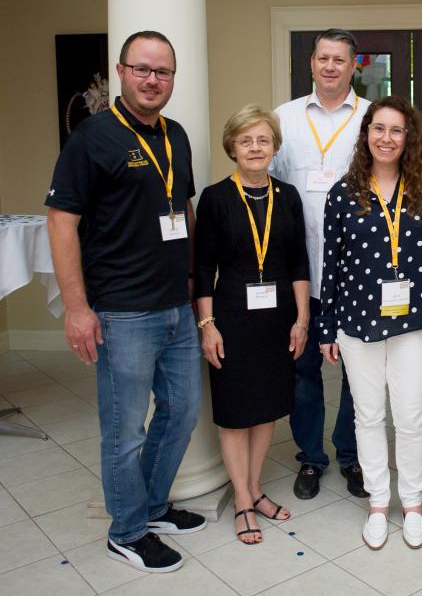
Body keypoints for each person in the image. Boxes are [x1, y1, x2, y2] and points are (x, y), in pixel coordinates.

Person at [45, 30, 206, 573]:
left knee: (182, 414)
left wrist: (193, 279)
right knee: (124, 429)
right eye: (143, 69)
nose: (153, 80)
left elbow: (180, 205)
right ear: (121, 71)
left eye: (163, 72)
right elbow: (62, 222)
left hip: (176, 306)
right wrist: (76, 307)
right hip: (121, 310)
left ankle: (153, 506)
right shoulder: (91, 138)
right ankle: (127, 530)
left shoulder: (175, 135)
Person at [317, 95, 422, 549]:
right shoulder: (343, 193)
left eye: (396, 130)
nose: (386, 138)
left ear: (408, 138)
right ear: (366, 135)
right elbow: (330, 264)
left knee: (410, 416)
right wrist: (325, 327)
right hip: (356, 321)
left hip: (414, 320)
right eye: (378, 128)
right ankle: (377, 501)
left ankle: (411, 503)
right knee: (368, 416)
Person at [194, 104, 311, 544]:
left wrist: (302, 319)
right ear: (232, 147)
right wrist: (207, 324)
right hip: (232, 317)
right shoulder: (215, 198)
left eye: (263, 140)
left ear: (275, 147)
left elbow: (299, 261)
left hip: (279, 316)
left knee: (266, 409)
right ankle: (242, 499)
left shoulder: (289, 196)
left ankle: (255, 487)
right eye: (247, 140)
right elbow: (203, 268)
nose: (256, 147)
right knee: (234, 411)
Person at [270, 28, 369, 500]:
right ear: (311, 63)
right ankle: (311, 457)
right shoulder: (284, 119)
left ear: (355, 67)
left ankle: (351, 455)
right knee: (302, 371)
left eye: (340, 60)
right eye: (323, 58)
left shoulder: (373, 120)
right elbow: (263, 189)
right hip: (297, 273)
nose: (331, 67)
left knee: (357, 373)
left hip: (355, 275)